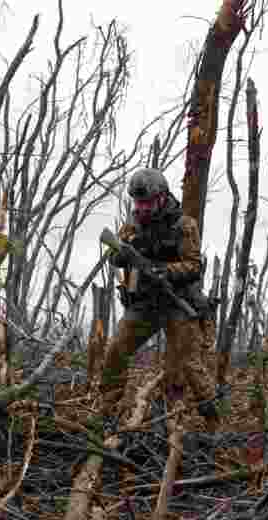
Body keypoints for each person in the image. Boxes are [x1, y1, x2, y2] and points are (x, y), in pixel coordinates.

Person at [100, 167, 220, 437]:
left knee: (191, 366)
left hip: (177, 302)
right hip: (144, 304)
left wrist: (165, 271)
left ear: (162, 198)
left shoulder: (184, 225)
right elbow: (116, 255)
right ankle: (107, 413)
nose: (141, 208)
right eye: (138, 203)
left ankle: (213, 422)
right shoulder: (133, 224)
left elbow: (193, 266)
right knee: (116, 350)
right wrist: (122, 255)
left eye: (147, 203)